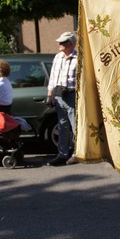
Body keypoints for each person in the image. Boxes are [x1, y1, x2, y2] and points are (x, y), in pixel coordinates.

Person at [46, 31, 78, 166]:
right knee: (62, 126)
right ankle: (62, 154)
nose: (59, 44)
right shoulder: (58, 57)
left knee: (76, 126)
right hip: (59, 95)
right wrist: (50, 94)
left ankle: (77, 153)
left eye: (62, 42)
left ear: (70, 44)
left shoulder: (79, 58)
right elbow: (53, 76)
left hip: (72, 94)